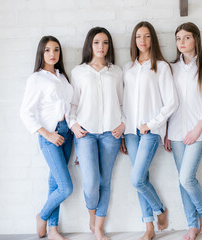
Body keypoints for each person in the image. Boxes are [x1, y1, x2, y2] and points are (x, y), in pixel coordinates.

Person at [120, 21, 178, 240]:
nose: (142, 41)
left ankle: (160, 210)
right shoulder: (128, 68)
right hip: (131, 132)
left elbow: (171, 103)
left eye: (146, 36)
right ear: (134, 40)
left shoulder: (161, 67)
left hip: (151, 131)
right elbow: (123, 102)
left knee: (137, 179)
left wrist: (151, 124)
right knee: (141, 177)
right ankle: (149, 228)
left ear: (152, 39)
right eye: (138, 37)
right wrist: (125, 130)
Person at [164, 22, 202, 240]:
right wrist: (167, 132)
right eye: (178, 38)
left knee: (187, 178)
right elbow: (169, 103)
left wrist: (196, 131)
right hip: (176, 133)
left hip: (199, 132)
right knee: (181, 179)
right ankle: (192, 225)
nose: (182, 42)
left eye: (186, 37)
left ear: (195, 39)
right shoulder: (171, 68)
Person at [69, 27, 125, 240]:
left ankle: (98, 228)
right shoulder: (78, 72)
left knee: (105, 181)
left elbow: (122, 102)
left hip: (111, 133)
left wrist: (124, 123)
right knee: (91, 181)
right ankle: (92, 216)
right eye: (96, 42)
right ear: (89, 45)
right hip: (85, 134)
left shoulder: (116, 71)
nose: (101, 47)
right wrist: (73, 124)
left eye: (105, 43)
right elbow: (72, 104)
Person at [20, 36, 73, 240]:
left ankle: (53, 229)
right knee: (66, 187)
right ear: (41, 53)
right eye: (48, 50)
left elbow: (69, 107)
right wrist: (48, 135)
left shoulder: (62, 77)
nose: (53, 54)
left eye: (56, 50)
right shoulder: (36, 79)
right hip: (50, 134)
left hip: (67, 133)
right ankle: (42, 216)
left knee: (55, 183)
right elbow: (26, 113)